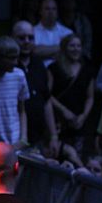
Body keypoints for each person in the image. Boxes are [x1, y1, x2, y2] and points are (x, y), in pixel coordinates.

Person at [12, 20, 60, 158]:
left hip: (36, 139)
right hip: (12, 138)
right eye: (21, 38)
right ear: (13, 38)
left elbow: (46, 101)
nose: (26, 41)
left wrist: (53, 136)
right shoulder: (7, 66)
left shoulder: (39, 65)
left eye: (30, 37)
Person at [47, 33, 96, 156]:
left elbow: (90, 97)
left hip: (78, 121)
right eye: (72, 46)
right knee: (57, 156)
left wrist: (83, 116)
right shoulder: (54, 68)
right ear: (64, 48)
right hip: (58, 121)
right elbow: (47, 94)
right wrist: (63, 110)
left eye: (78, 46)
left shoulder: (87, 69)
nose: (76, 49)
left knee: (77, 156)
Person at [33, 0, 73, 66]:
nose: (51, 12)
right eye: (47, 9)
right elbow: (34, 52)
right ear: (40, 11)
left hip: (62, 72)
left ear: (57, 12)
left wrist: (43, 52)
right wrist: (61, 47)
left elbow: (70, 53)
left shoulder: (67, 32)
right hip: (39, 72)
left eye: (54, 9)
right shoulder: (32, 31)